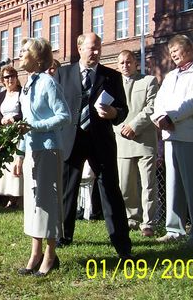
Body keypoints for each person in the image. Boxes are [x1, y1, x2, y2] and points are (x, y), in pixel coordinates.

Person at [54, 32, 132, 259]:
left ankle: (121, 242)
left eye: (98, 47)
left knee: (110, 191)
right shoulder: (63, 74)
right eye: (91, 48)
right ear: (80, 48)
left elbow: (123, 110)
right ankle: (62, 236)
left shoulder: (111, 77)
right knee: (67, 190)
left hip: (101, 141)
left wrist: (114, 112)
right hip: (71, 140)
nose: (96, 52)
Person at [14, 37, 70, 277]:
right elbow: (24, 126)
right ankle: (35, 253)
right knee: (33, 204)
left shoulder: (48, 82)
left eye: (25, 50)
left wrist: (35, 126)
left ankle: (50, 254)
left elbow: (64, 115)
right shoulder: (26, 86)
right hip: (31, 152)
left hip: (48, 149)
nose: (20, 53)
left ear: (37, 58)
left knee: (47, 203)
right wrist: (19, 153)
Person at [151, 34, 193, 248]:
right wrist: (159, 118)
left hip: (191, 136)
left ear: (190, 50)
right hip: (170, 136)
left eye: (177, 50)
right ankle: (174, 229)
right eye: (172, 52)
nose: (174, 54)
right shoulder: (170, 76)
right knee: (173, 184)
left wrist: (171, 117)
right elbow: (159, 100)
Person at [114, 50, 159, 237]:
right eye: (122, 62)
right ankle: (131, 218)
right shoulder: (113, 85)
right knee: (125, 185)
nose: (126, 65)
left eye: (129, 62)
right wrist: (121, 128)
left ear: (135, 63)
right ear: (118, 65)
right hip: (122, 141)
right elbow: (108, 110)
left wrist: (134, 126)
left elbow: (152, 107)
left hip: (144, 140)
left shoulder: (149, 81)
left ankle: (148, 222)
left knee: (148, 184)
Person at [0, 66, 23, 208]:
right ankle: (8, 194)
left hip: (19, 134)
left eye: (12, 76)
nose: (10, 79)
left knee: (16, 164)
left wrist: (14, 119)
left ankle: (17, 197)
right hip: (5, 134)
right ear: (2, 80)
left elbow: (26, 113)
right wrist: (1, 121)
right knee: (7, 164)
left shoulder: (22, 93)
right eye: (6, 77)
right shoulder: (0, 96)